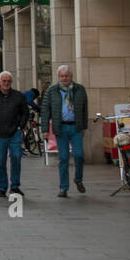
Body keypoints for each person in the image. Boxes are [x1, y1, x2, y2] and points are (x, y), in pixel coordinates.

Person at [40, 66, 89, 197]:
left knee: (79, 155)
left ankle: (78, 179)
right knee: (63, 158)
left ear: (71, 77)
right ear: (58, 77)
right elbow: (45, 111)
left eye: (66, 76)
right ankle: (63, 187)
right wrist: (45, 130)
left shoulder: (80, 89)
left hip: (75, 127)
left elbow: (84, 109)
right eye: (62, 76)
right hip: (60, 128)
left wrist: (84, 126)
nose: (64, 78)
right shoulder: (52, 91)